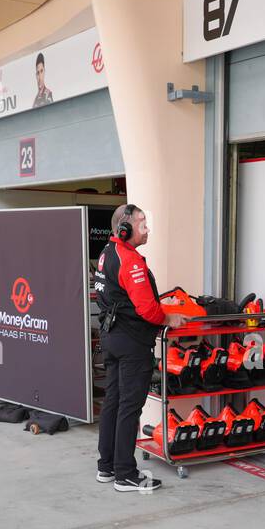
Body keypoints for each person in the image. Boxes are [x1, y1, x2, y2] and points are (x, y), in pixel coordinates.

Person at [95, 204, 186, 491]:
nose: (147, 229)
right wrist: (169, 317)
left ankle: (107, 467)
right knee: (129, 407)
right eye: (142, 223)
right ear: (124, 228)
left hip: (113, 338)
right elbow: (147, 309)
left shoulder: (107, 253)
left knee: (114, 402)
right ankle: (125, 473)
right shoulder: (129, 259)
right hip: (131, 342)